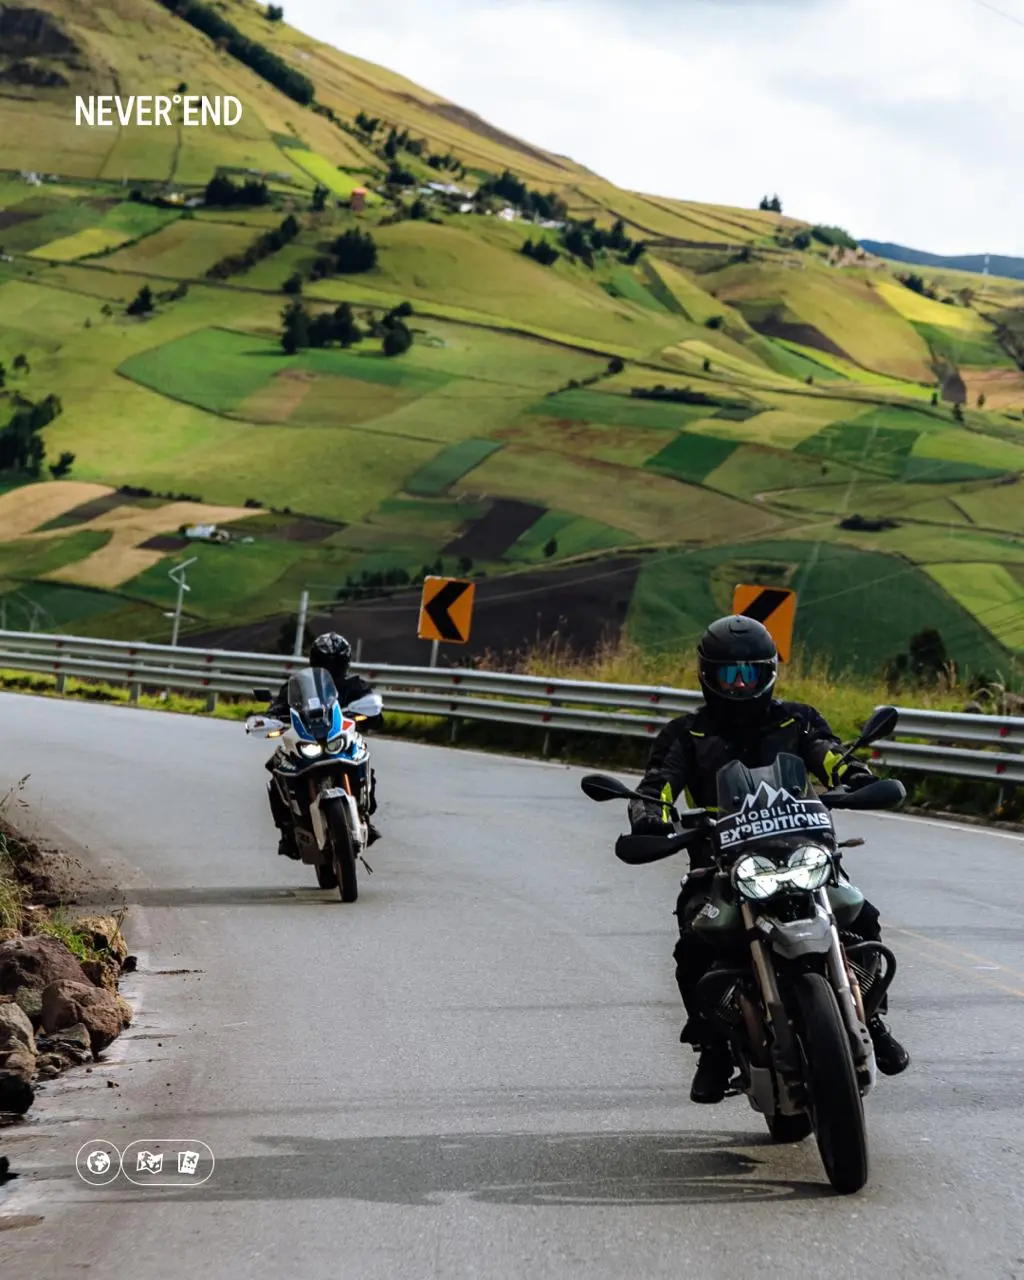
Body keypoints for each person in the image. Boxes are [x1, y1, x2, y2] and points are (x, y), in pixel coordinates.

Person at [627, 614, 910, 1104]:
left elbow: (828, 753)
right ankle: (713, 1048)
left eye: (750, 674)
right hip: (722, 867)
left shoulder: (797, 720)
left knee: (862, 916)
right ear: (707, 676)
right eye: (729, 675)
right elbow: (659, 784)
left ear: (768, 674)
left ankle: (873, 1015)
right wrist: (650, 815)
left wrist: (855, 777)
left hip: (802, 850)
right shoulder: (687, 735)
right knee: (693, 947)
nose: (739, 686)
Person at [266, 632, 383, 857]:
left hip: (341, 740)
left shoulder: (355, 686)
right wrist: (273, 717)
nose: (331, 667)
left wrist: (371, 715)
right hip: (308, 739)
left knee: (364, 761)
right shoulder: (297, 687)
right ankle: (287, 831)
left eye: (336, 662)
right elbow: (279, 707)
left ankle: (365, 813)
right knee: (277, 769)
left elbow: (373, 710)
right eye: (325, 662)